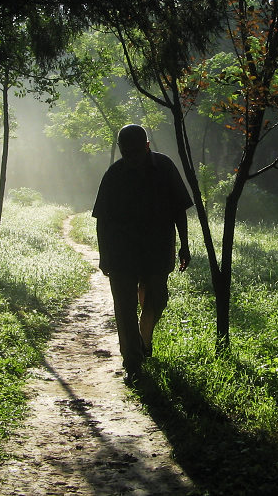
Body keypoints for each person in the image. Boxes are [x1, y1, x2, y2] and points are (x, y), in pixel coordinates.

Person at [92, 124, 193, 384]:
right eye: (127, 152)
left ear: (147, 146)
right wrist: (104, 255)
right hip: (122, 253)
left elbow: (179, 208)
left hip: (157, 250)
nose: (132, 157)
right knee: (124, 308)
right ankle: (133, 362)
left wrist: (184, 244)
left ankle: (142, 339)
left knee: (156, 300)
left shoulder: (165, 168)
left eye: (136, 151)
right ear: (121, 150)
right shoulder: (113, 175)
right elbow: (102, 219)